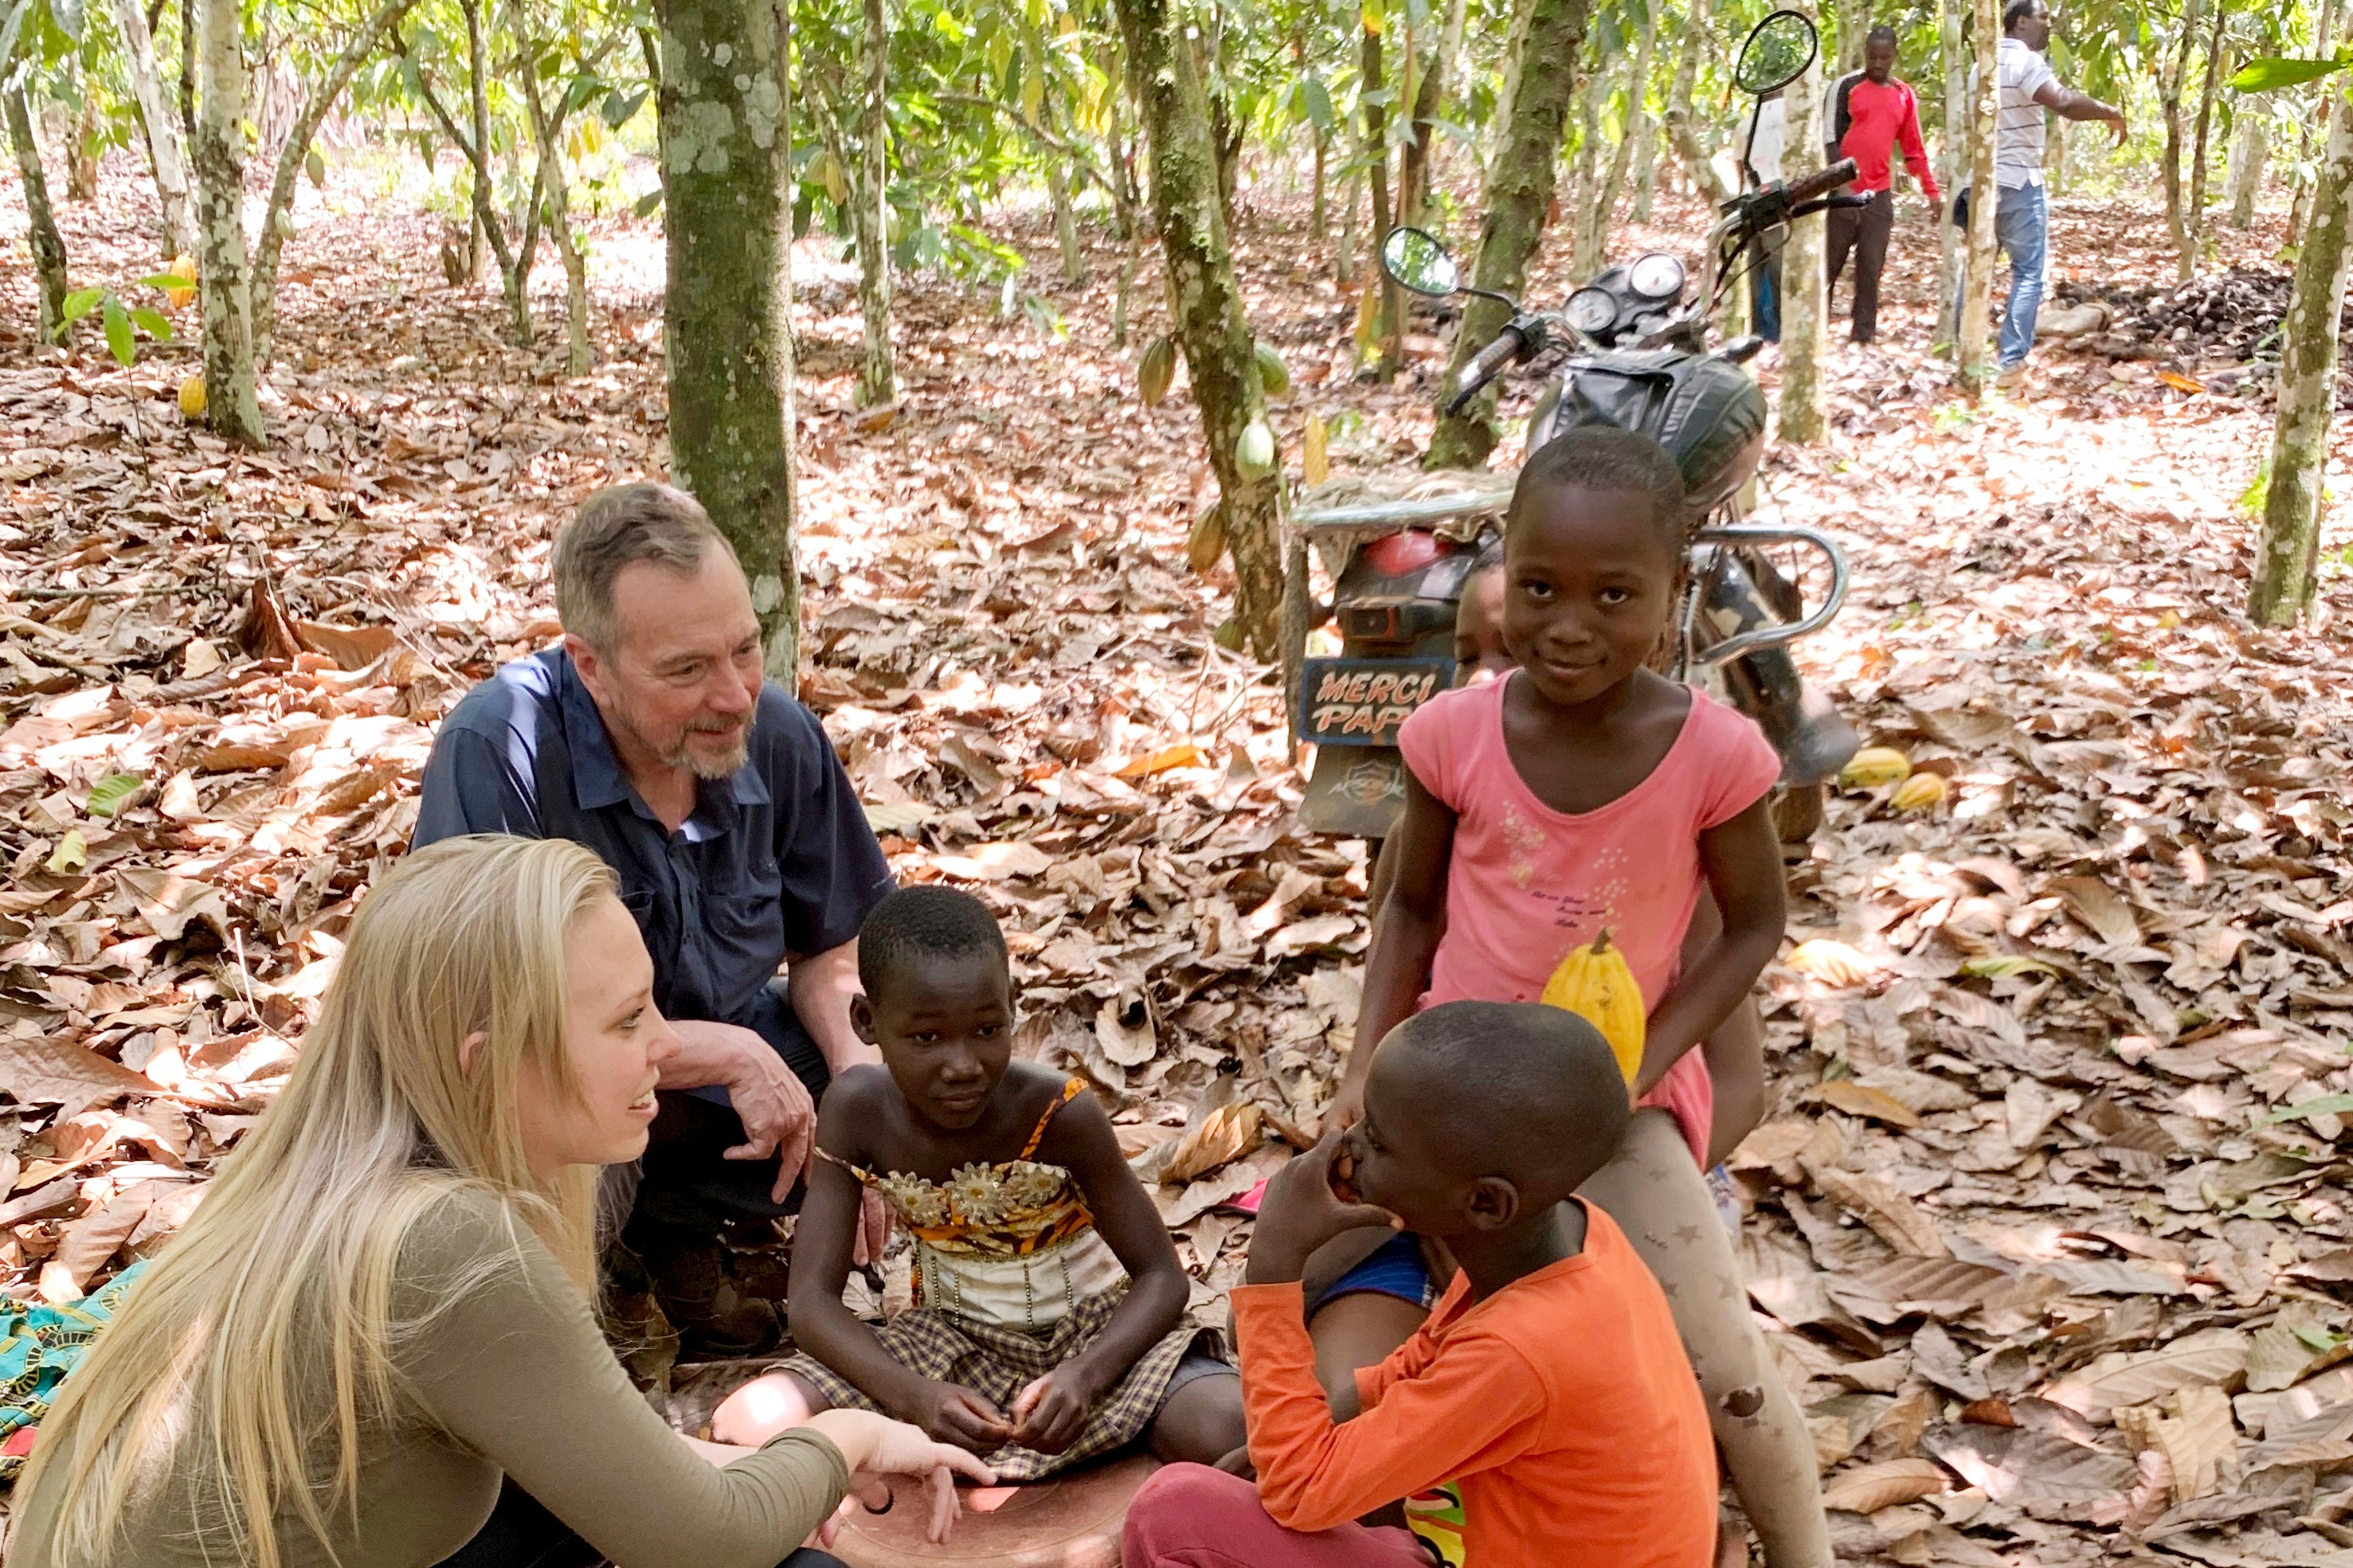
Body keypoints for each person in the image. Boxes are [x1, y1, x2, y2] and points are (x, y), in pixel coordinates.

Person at [7, 835, 993, 1568]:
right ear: (488, 1068)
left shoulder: (332, 1187)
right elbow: (706, 1542)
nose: (666, 1043)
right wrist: (853, 1434)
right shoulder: (448, 1244)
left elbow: (608, 1467)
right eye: (623, 1020)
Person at [1325, 427, 1829, 1568]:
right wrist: (1364, 1068)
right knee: (1443, 1339)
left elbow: (1754, 923)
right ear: (1502, 570)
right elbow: (1408, 909)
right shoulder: (1452, 735)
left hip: (1611, 1104)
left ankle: (1799, 1546)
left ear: (1671, 591)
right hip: (1451, 1090)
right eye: (1541, 586)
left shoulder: (1712, 754)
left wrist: (1645, 1065)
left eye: (1614, 595)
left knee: (1722, 1369)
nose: (1568, 624)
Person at [413, 482, 895, 1353]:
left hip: (721, 1092)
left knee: (936, 1072)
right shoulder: (501, 748)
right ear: (589, 665)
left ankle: (691, 1251)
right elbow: (479, 1020)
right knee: (507, 1159)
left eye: (744, 649)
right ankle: (558, 1342)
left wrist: (859, 1084)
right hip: (571, 1096)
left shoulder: (776, 733)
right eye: (686, 670)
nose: (734, 694)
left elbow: (830, 946)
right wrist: (720, 1052)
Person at [1122, 1002, 1717, 1568]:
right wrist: (1302, 1442)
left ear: (1484, 1201)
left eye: (1377, 1140)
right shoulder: (1567, 1238)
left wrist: (1276, 1266)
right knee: (1252, 1444)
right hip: (1495, 1535)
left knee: (1171, 1511)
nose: (1347, 1148)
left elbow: (1300, 1492)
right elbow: (1414, 1373)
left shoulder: (1522, 1349)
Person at [709, 887, 1247, 1478]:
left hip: (1094, 1339)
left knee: (1228, 1429)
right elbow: (811, 1304)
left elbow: (1162, 1276)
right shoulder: (857, 1110)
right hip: (947, 1350)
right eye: (927, 1038)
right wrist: (913, 1394)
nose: (963, 1064)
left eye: (987, 1029)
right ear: (867, 1021)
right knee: (747, 1423)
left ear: (1012, 1009)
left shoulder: (1060, 1112)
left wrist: (1086, 1377)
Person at [1973, 0, 2127, 386]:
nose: (2049, 26)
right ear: (2021, 22)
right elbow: (2062, 102)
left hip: (1983, 182)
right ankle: (2010, 362)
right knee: (2028, 273)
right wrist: (2110, 110)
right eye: (2043, 17)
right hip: (2020, 181)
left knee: (1977, 268)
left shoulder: (1981, 67)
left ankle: (1965, 351)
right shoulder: (2025, 62)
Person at [1825, 26, 1941, 345]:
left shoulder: (1903, 95)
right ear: (1865, 53)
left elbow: (1913, 148)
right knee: (1828, 265)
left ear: (1894, 57)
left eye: (1884, 57)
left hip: (1879, 193)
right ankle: (1814, 332)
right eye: (1872, 56)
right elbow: (1830, 139)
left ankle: (1862, 336)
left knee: (1870, 267)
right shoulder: (1846, 86)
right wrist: (1841, 186)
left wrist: (1932, 192)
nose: (1877, 63)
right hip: (1844, 193)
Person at [1740, 89, 1787, 342]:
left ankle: (1757, 333)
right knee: (1782, 271)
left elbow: (1742, 170)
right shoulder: (1791, 117)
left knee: (1754, 272)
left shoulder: (1745, 123)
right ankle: (1780, 333)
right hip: (1779, 200)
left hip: (1750, 200)